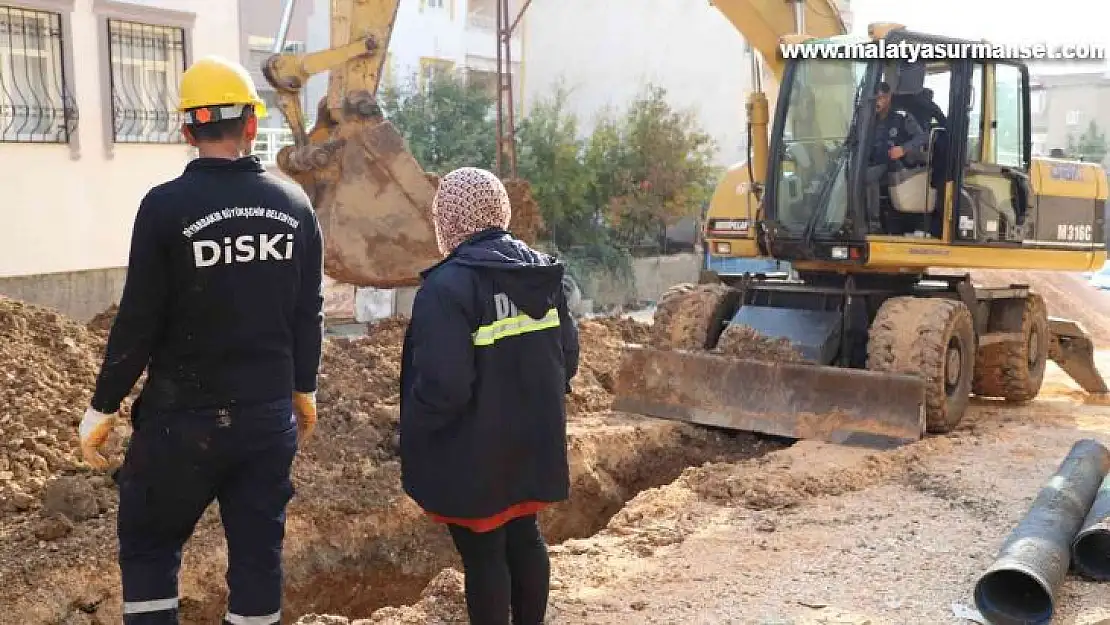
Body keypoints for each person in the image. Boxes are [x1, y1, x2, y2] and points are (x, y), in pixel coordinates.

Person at [77, 55, 324, 625]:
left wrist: (103, 406)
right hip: (266, 418)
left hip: (178, 424)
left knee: (150, 550)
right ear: (253, 125)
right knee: (258, 559)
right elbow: (306, 313)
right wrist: (303, 388)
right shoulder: (294, 206)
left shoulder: (164, 207)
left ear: (187, 130)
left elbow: (138, 319)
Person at [399, 167, 580, 625]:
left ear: (449, 219)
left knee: (483, 554)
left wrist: (417, 428)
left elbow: (445, 386)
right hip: (533, 441)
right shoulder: (542, 273)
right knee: (525, 536)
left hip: (475, 450)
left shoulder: (446, 288)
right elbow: (568, 360)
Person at [865, 81, 929, 231]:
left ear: (888, 98)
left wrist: (903, 148)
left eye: (881, 98)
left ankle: (873, 224)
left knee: (869, 177)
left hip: (893, 163)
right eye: (875, 98)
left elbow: (923, 137)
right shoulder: (867, 119)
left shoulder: (901, 118)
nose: (877, 102)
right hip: (870, 161)